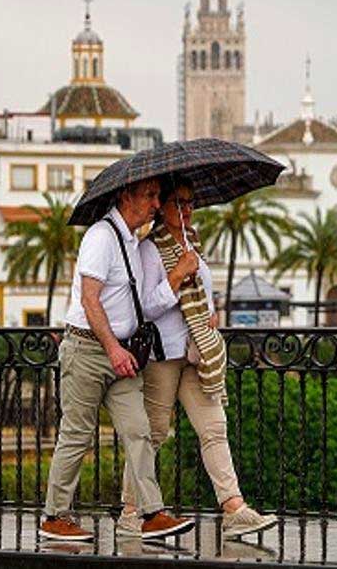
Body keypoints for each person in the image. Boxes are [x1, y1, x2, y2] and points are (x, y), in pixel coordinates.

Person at [117, 175, 278, 538]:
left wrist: (210, 313)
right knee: (154, 434)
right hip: (164, 354)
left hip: (197, 351)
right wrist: (176, 276)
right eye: (180, 202)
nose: (188, 209)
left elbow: (201, 293)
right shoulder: (149, 250)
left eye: (191, 202)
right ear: (164, 208)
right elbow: (145, 307)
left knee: (214, 428)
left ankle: (234, 508)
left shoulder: (194, 245)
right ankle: (130, 510)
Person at [40, 178, 195, 542]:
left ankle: (151, 514)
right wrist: (112, 348)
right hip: (90, 351)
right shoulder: (100, 237)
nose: (157, 204)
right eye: (150, 196)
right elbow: (90, 300)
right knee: (76, 435)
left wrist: (177, 280)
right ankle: (54, 516)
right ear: (126, 196)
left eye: (158, 196)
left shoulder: (129, 240)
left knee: (140, 431)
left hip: (122, 354)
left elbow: (132, 300)